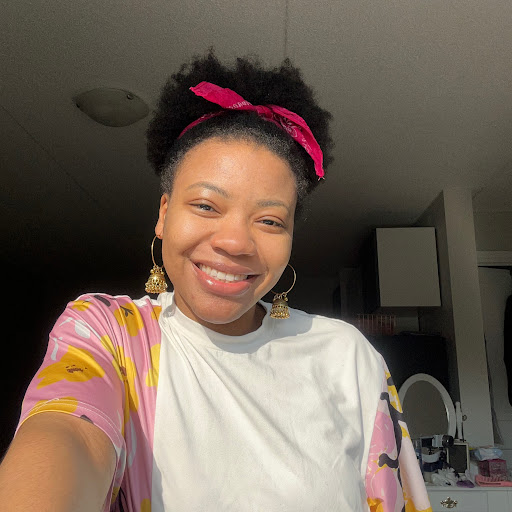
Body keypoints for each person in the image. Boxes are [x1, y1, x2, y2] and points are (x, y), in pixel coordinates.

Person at [0, 51, 431, 512]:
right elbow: (70, 433)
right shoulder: (109, 334)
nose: (235, 243)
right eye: (206, 206)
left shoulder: (348, 358)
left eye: (270, 220)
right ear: (164, 213)